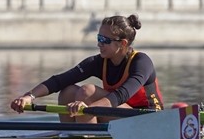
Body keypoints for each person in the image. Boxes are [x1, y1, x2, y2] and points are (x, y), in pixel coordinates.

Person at [10, 13, 163, 123]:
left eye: (104, 40)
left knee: (87, 91)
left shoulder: (141, 62)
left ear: (122, 43)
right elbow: (59, 80)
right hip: (119, 115)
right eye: (98, 38)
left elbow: (121, 95)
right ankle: (72, 137)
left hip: (150, 121)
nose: (99, 44)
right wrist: (29, 96)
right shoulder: (99, 62)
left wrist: (87, 107)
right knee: (68, 91)